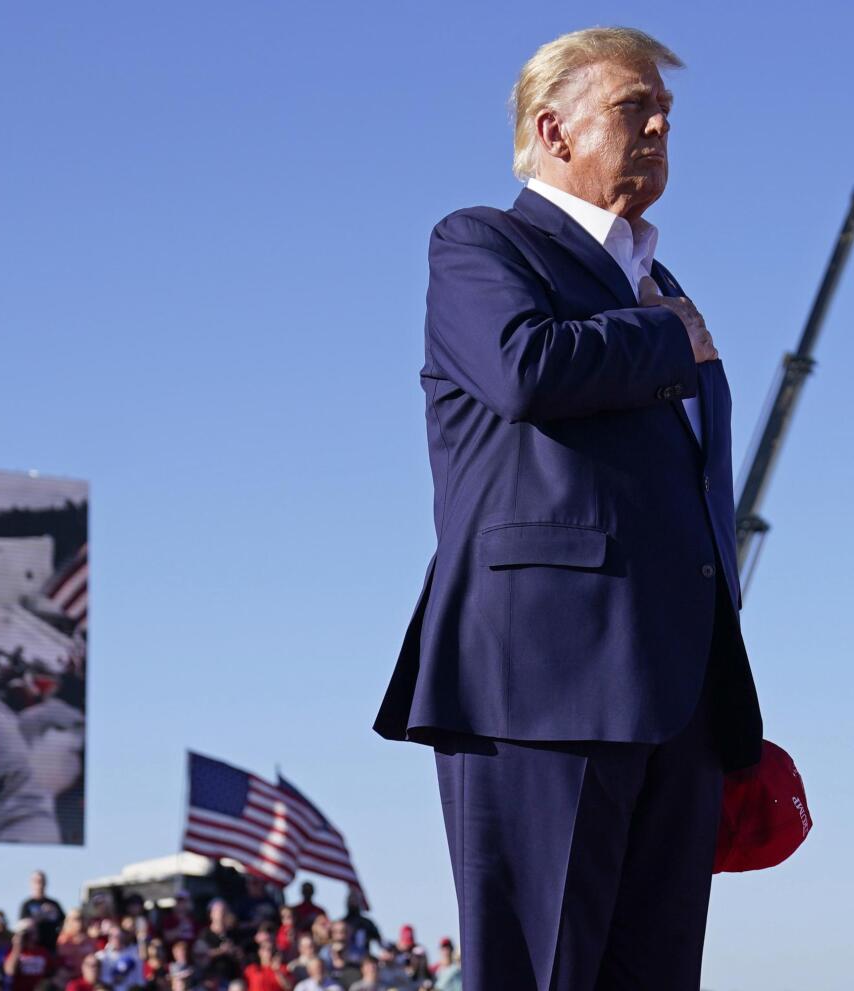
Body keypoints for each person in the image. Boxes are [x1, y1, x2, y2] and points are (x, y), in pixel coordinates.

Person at [371, 24, 764, 991]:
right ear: (553, 128)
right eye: (635, 106)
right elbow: (523, 368)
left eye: (665, 110)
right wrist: (665, 338)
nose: (661, 123)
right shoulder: (482, 242)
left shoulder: (659, 285)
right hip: (540, 686)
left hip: (678, 698)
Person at [15, 873, 63, 950]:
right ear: (31, 883)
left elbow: (64, 923)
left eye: (41, 881)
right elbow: (23, 924)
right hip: (33, 948)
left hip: (52, 946)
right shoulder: (27, 904)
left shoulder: (54, 904)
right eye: (36, 881)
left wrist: (53, 913)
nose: (39, 884)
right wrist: (41, 914)